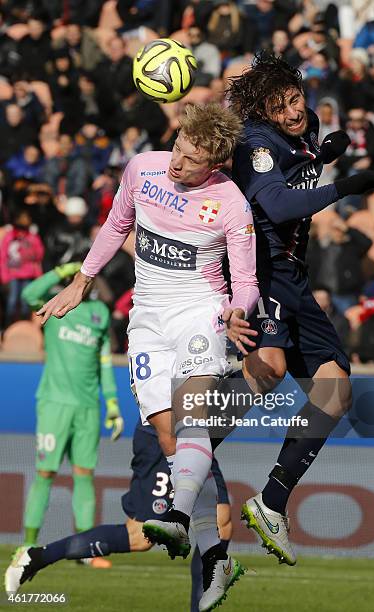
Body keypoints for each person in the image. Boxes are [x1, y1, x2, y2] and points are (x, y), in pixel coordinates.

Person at [21, 103, 259, 610]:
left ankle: (177, 520)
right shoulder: (143, 168)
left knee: (192, 414)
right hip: (147, 316)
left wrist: (238, 312)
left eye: (192, 159)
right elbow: (114, 226)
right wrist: (81, 282)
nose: (177, 162)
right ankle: (209, 550)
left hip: (201, 310)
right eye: (178, 147)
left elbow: (245, 280)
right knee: (166, 428)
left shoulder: (232, 204)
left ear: (214, 162)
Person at [227, 52, 374, 566]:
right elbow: (276, 205)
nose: (294, 111)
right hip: (265, 263)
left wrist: (323, 154)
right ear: (262, 111)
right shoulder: (255, 144)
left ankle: (271, 501)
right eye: (281, 106)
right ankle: (185, 449)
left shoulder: (304, 127)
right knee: (269, 368)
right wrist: (341, 184)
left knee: (336, 387)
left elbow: (300, 166)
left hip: (293, 273)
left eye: (296, 98)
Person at [6, 418, 232, 612]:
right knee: (139, 536)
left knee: (220, 523)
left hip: (195, 435)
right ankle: (36, 557)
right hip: (164, 434)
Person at [8, 263, 123, 567]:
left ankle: (83, 550)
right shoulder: (56, 304)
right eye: (79, 276)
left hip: (87, 407)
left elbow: (104, 362)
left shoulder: (99, 314)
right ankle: (28, 546)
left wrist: (112, 404)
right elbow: (30, 293)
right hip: (54, 403)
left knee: (85, 475)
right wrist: (61, 272)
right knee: (45, 473)